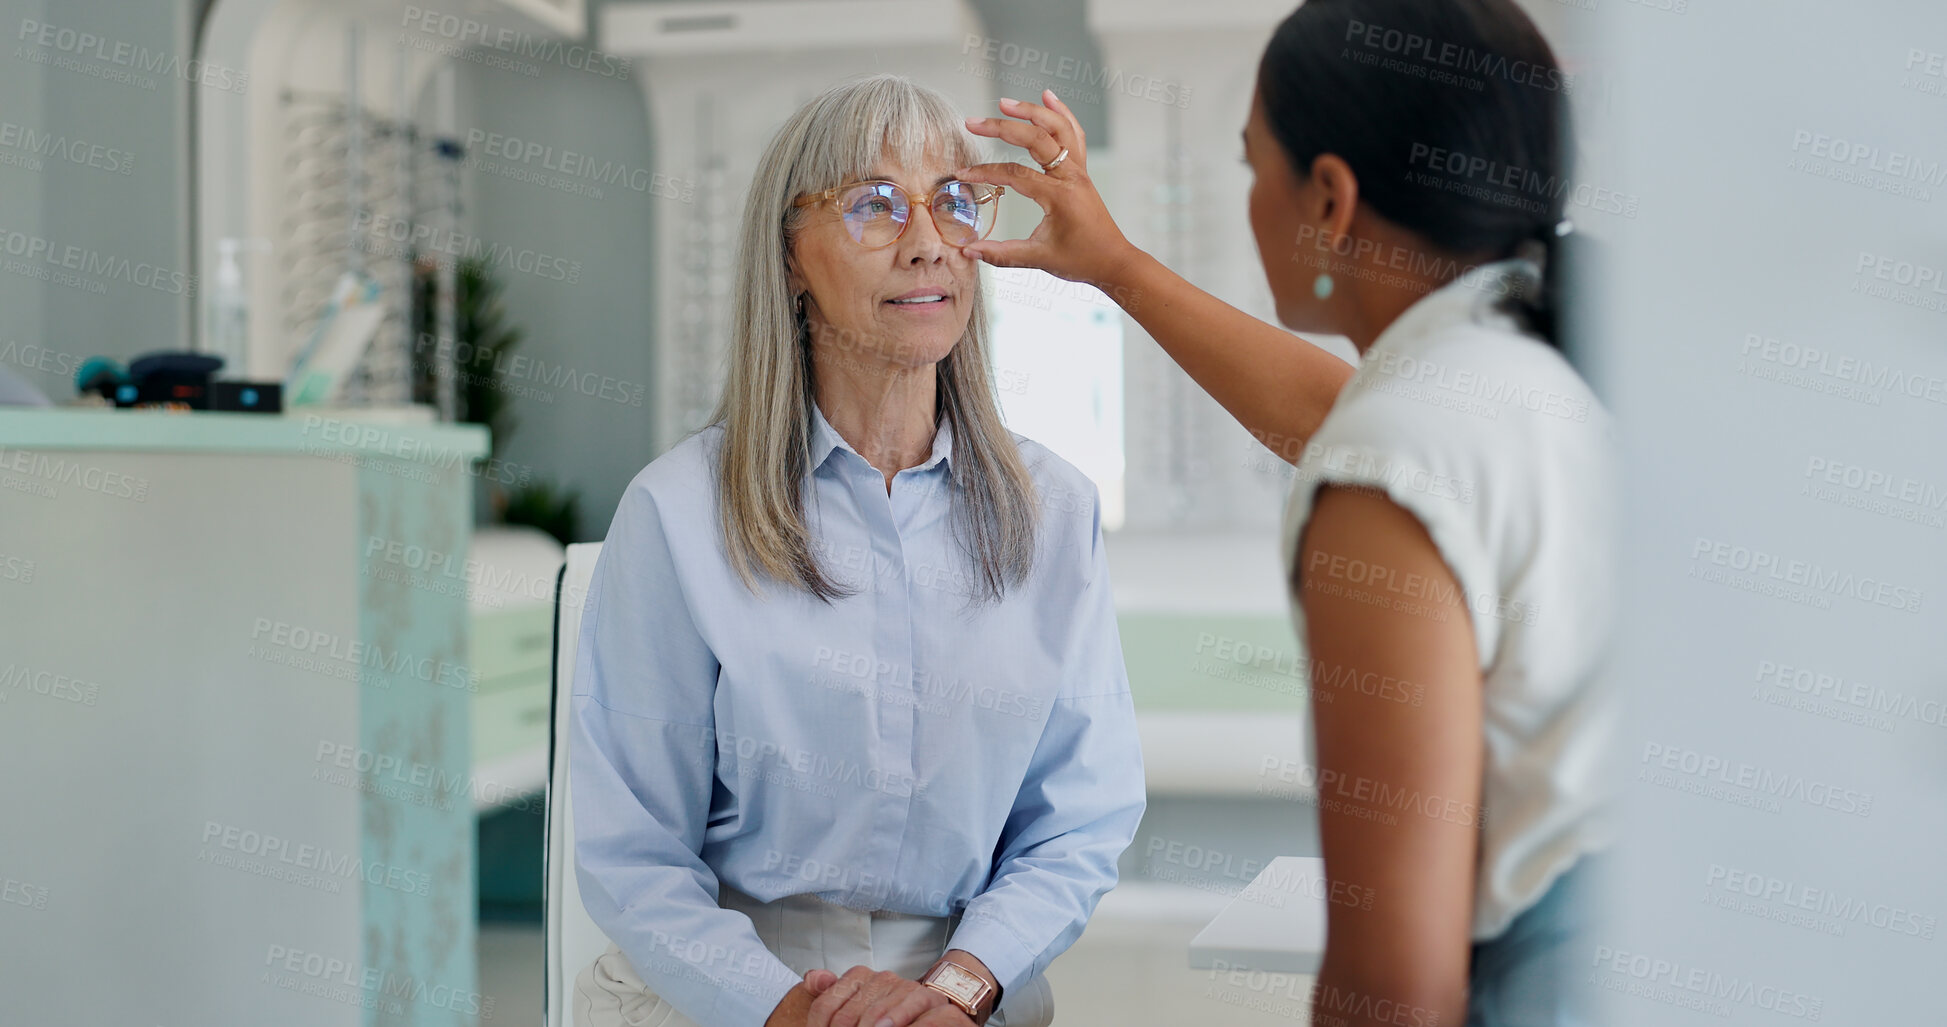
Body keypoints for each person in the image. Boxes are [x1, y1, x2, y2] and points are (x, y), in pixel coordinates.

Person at [952, 1, 1614, 1023]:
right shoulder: (1544, 370)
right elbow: (1340, 415)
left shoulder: (1395, 462)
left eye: (1252, 166)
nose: (1251, 201)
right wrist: (1115, 266)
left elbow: (1393, 988)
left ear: (1331, 198)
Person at [568, 74, 1146, 1027]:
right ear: (789, 257)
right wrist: (786, 1009)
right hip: (729, 988)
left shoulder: (1053, 511)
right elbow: (633, 850)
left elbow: (1076, 822)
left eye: (953, 202)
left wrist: (954, 991)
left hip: (972, 988)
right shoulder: (675, 512)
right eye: (873, 204)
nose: (926, 241)